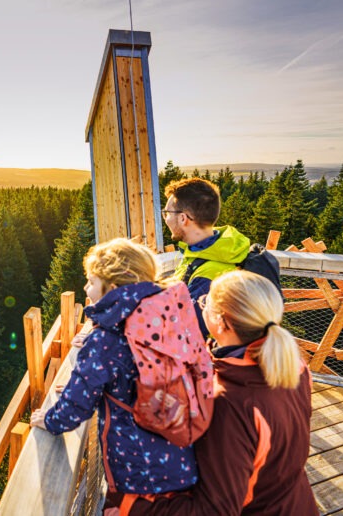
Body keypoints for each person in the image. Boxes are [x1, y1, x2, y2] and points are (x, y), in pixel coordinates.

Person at [30, 238, 199, 512]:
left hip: (139, 474)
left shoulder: (106, 341)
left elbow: (77, 405)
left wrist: (49, 420)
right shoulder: (165, 317)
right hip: (181, 460)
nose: (86, 288)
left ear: (114, 286)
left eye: (91, 282)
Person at [140, 270, 318, 515]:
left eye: (206, 302)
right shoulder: (294, 366)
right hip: (295, 503)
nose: (201, 306)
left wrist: (133, 504)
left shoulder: (228, 403)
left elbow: (214, 511)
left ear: (221, 322)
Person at [162, 178, 251, 335]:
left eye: (167, 213)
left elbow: (181, 332)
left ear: (183, 218)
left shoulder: (210, 274)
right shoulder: (208, 252)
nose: (166, 219)